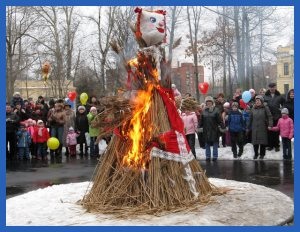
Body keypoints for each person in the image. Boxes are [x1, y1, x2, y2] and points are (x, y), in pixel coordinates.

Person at [248, 95, 273, 159]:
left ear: (261, 101)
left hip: (263, 127)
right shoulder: (253, 108)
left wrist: (270, 125)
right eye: (256, 101)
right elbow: (250, 118)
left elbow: (269, 116)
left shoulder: (265, 108)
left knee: (262, 141)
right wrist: (248, 126)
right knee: (255, 142)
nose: (257, 102)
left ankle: (262, 154)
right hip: (254, 127)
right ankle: (256, 154)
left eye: (258, 101)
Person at [200, 96, 224, 161]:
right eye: (207, 102)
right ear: (206, 103)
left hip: (214, 130)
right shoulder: (204, 111)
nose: (208, 103)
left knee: (215, 144)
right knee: (207, 144)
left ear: (212, 102)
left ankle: (215, 156)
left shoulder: (216, 110)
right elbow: (201, 121)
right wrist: (198, 127)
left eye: (210, 102)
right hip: (206, 130)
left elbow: (220, 120)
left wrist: (223, 127)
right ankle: (208, 156)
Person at [263, 82, 285, 152]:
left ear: (275, 87)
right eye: (270, 87)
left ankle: (276, 145)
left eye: (273, 87)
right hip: (268, 117)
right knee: (269, 131)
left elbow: (284, 104)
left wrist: (282, 108)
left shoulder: (280, 96)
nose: (272, 88)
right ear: (269, 88)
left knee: (276, 132)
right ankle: (270, 145)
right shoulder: (265, 96)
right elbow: (262, 104)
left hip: (277, 116)